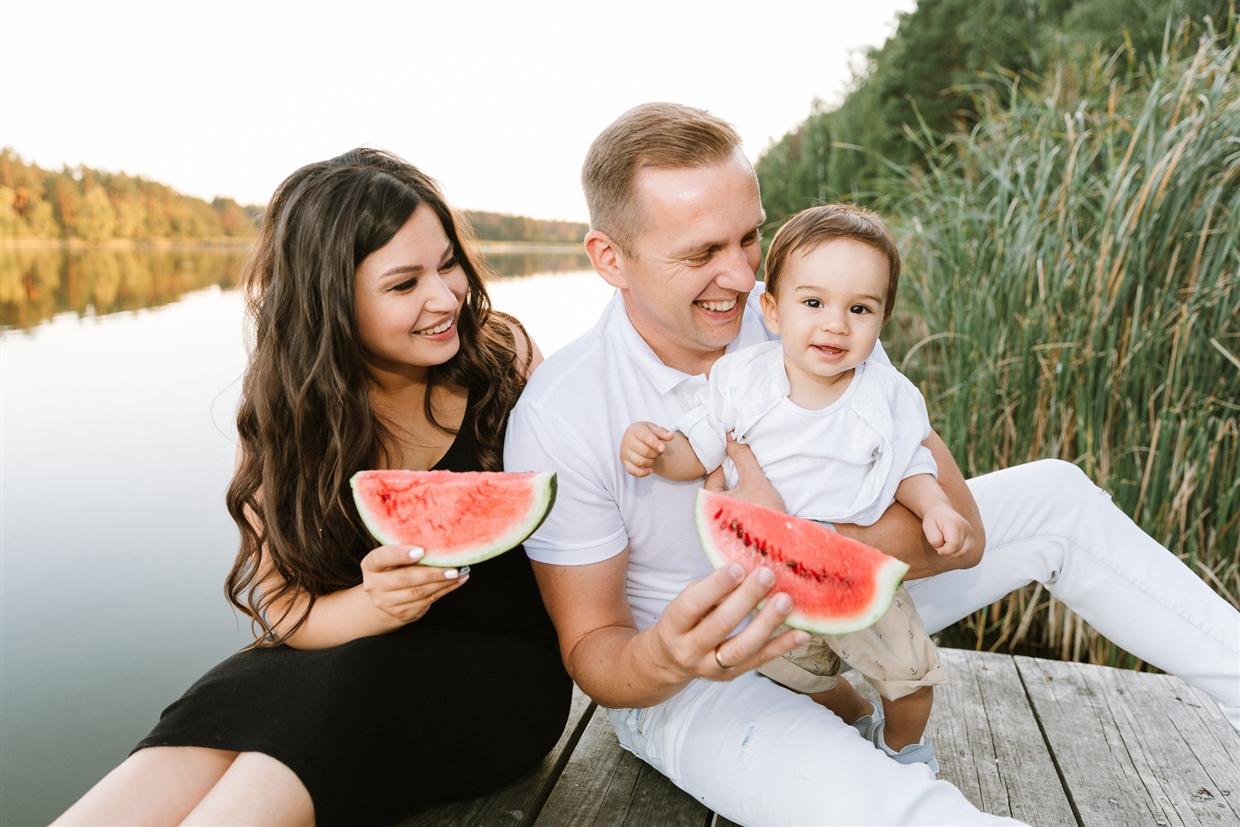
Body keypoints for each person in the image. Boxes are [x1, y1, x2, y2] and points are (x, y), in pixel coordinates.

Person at [503, 102, 1240, 826]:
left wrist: (789, 536)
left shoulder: (816, 309)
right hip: (696, 675)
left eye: (749, 237)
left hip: (856, 591)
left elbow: (967, 533)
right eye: (701, 253)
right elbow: (595, 648)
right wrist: (667, 654)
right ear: (610, 259)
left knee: (1055, 494)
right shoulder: (561, 412)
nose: (739, 276)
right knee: (886, 808)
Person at [54, 149, 572, 827]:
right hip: (345, 664)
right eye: (403, 283)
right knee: (218, 703)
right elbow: (286, 611)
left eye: (447, 263)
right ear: (330, 300)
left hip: (505, 685)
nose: (446, 297)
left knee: (344, 689)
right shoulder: (284, 417)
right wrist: (376, 604)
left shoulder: (503, 362)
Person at [619, 203, 965, 772]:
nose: (836, 324)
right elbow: (701, 448)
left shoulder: (887, 394)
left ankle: (904, 746)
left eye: (860, 308)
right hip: (769, 578)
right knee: (796, 675)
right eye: (814, 303)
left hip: (853, 565)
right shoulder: (740, 381)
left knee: (909, 675)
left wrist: (936, 508)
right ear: (773, 311)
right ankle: (855, 718)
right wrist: (654, 452)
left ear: (882, 320)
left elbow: (910, 467)